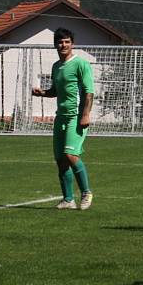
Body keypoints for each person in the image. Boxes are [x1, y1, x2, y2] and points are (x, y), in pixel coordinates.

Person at [32, 28, 95, 210]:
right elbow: (55, 91)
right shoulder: (56, 67)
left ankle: (86, 192)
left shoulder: (81, 64)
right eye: (60, 42)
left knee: (70, 155)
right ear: (55, 45)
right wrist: (42, 93)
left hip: (76, 116)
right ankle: (68, 199)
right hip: (61, 117)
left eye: (67, 41)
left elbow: (89, 92)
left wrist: (85, 114)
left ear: (72, 43)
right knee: (60, 160)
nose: (63, 45)